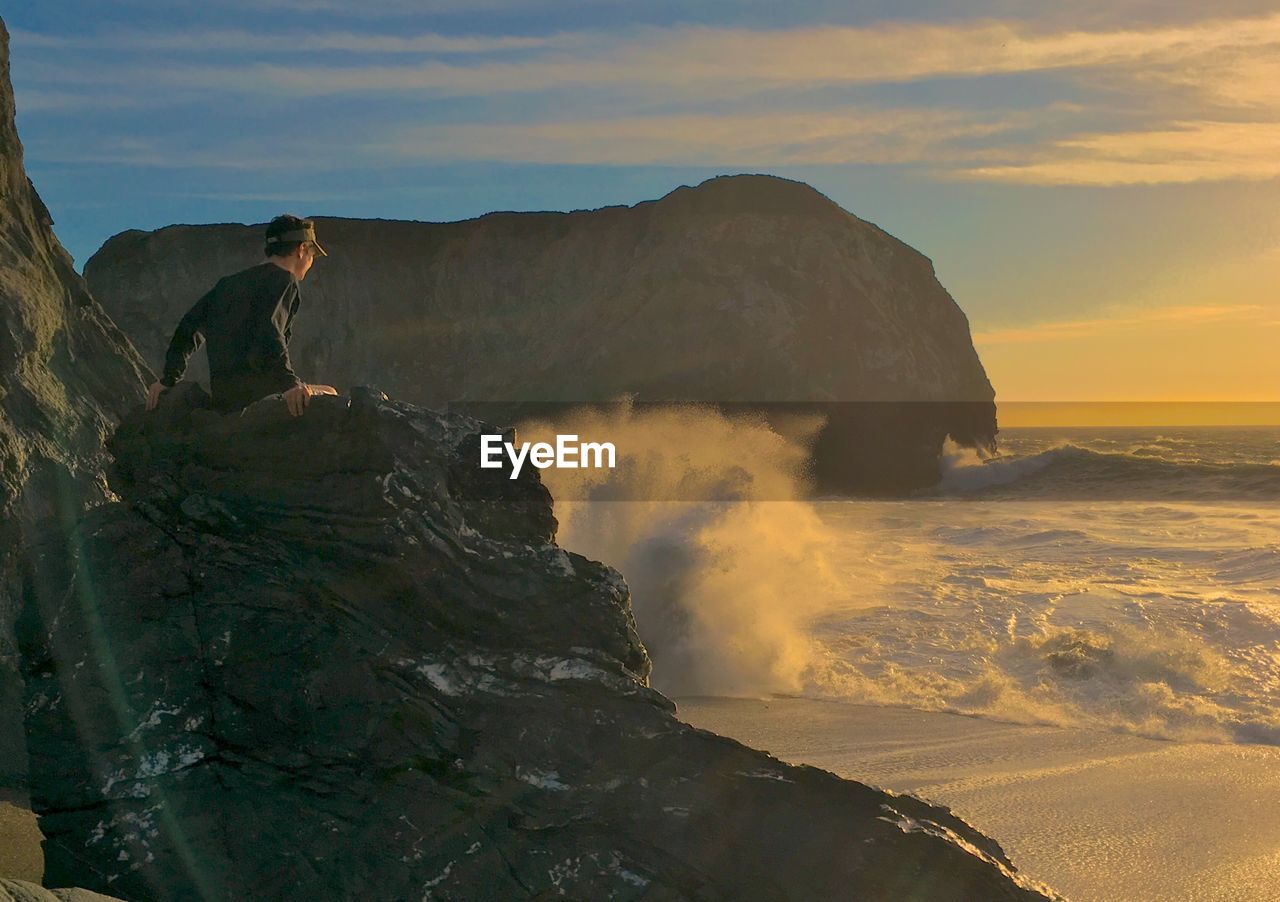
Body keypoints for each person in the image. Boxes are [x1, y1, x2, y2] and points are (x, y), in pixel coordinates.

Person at [145, 214, 338, 417]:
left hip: (224, 396)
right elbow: (269, 331)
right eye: (312, 254)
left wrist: (168, 379)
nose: (310, 262)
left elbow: (188, 327)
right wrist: (289, 384)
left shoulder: (227, 284)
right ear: (301, 250)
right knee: (330, 392)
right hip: (262, 395)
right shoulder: (284, 280)